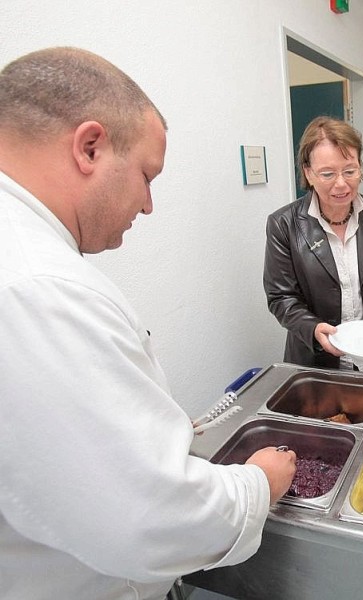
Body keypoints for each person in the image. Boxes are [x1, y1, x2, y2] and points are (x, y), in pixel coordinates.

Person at [0, 47, 297, 600]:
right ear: (90, 147)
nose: (148, 204)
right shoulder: (39, 287)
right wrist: (259, 484)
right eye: (146, 175)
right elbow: (149, 516)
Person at [264, 116, 363, 377]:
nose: (341, 184)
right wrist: (312, 328)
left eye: (349, 170)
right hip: (315, 362)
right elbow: (281, 297)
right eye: (327, 174)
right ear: (308, 173)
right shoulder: (284, 225)